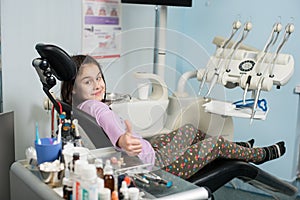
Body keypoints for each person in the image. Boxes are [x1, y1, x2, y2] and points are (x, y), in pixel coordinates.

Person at [61, 55, 286, 179]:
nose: (98, 85)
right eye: (88, 82)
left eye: (99, 78)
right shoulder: (97, 108)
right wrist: (123, 139)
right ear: (72, 87)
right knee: (214, 144)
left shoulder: (79, 106)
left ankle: (236, 148)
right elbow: (114, 129)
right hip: (159, 166)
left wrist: (128, 141)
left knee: (189, 130)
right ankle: (257, 154)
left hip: (149, 150)